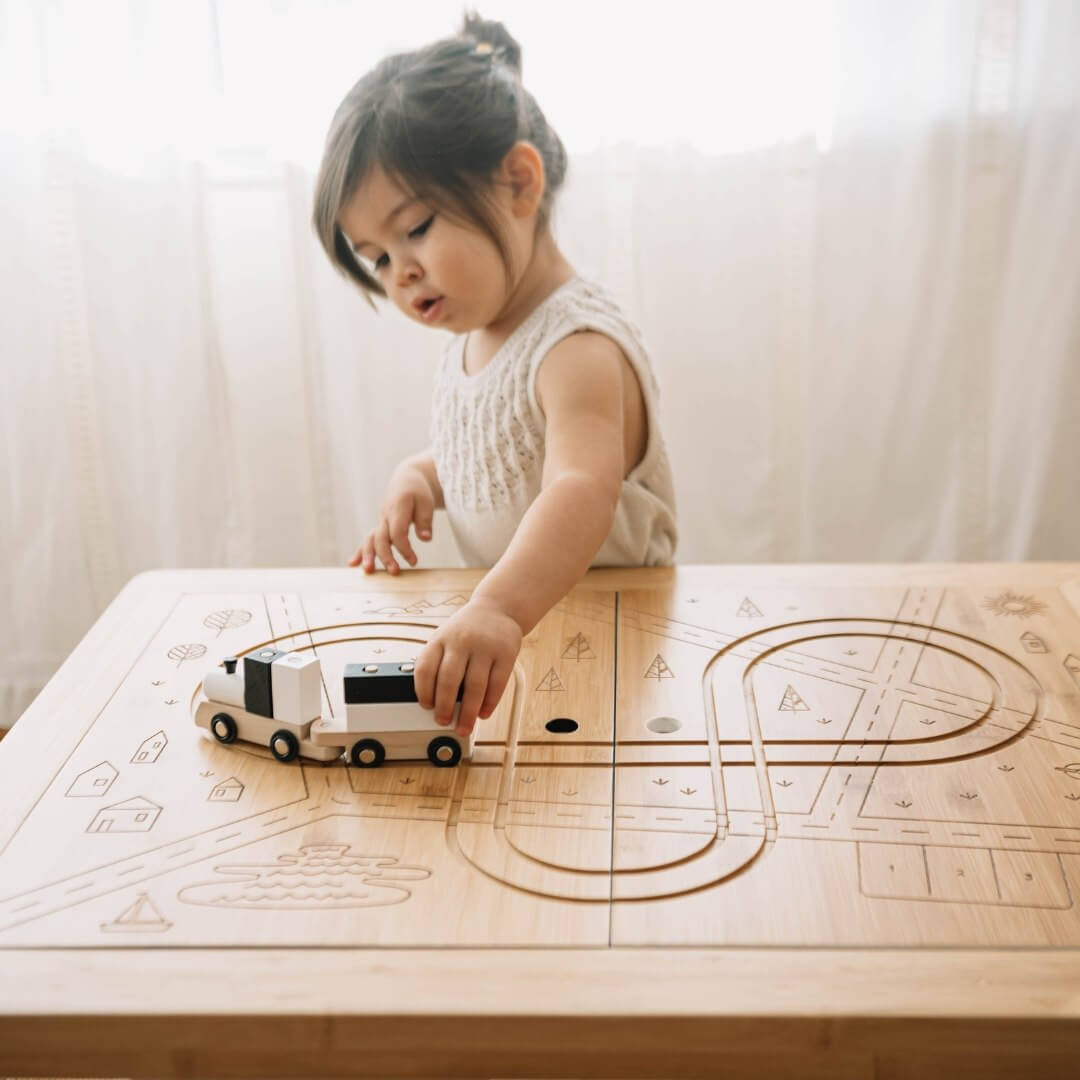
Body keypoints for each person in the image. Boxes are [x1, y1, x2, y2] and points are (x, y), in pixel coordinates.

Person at [312, 12, 677, 742]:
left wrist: (499, 607)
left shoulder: (575, 346)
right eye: (378, 258)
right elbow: (504, 455)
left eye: (415, 229)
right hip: (532, 633)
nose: (402, 272)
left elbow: (579, 486)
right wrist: (423, 475)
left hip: (610, 629)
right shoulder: (476, 333)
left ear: (518, 181)